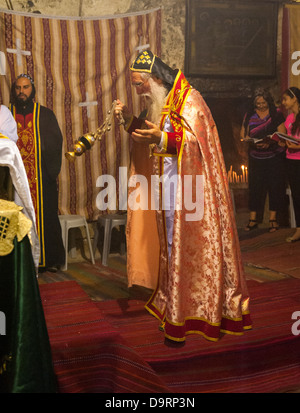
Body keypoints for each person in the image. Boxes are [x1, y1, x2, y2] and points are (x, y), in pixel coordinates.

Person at [115, 50, 251, 342]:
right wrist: (129, 119)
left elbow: (195, 144)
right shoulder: (163, 101)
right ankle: (174, 303)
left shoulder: (191, 101)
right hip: (169, 189)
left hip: (191, 190)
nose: (138, 91)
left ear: (155, 79)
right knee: (171, 247)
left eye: (140, 84)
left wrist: (161, 139)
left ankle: (196, 309)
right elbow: (153, 133)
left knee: (186, 248)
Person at [10, 74, 64, 272]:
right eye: (18, 88)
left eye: (25, 87)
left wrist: (49, 174)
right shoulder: (7, 114)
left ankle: (47, 260)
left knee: (46, 216)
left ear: (32, 89)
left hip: (41, 180)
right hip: (13, 179)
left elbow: (55, 143)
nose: (21, 92)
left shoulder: (45, 114)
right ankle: (19, 262)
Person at [240, 88, 286, 232]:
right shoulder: (250, 114)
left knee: (274, 187)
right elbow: (243, 133)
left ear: (268, 101)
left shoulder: (276, 113)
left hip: (273, 157)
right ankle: (253, 219)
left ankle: (273, 219)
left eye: (263, 102)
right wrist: (250, 141)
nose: (260, 105)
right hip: (255, 157)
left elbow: (282, 134)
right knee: (255, 188)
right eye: (258, 103)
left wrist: (270, 142)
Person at [282, 87, 300, 242]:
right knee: (296, 195)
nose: (283, 102)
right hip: (291, 160)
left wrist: (297, 146)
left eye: (286, 99)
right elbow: (288, 137)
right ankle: (298, 229)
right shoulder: (289, 118)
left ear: (294, 99)